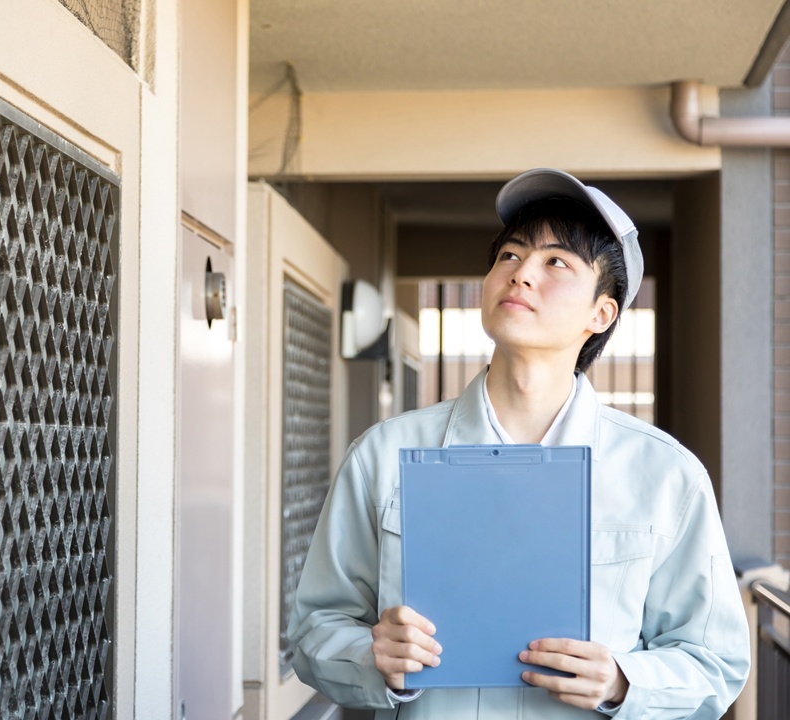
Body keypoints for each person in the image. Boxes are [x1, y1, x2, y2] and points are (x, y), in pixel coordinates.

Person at [288, 168, 751, 718]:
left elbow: (715, 663)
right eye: (510, 255)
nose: (522, 273)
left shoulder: (667, 475)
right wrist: (374, 656)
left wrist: (622, 681)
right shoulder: (383, 455)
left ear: (601, 313)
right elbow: (315, 630)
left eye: (557, 262)